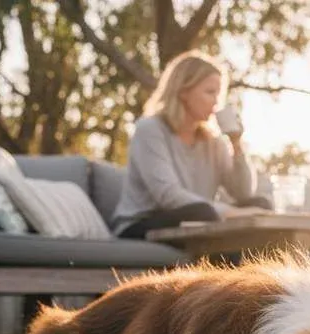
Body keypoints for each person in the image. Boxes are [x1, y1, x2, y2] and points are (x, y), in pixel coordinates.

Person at [112, 50, 269, 240]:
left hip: (198, 220)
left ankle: (252, 269)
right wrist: (229, 213)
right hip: (141, 223)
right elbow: (168, 196)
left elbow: (243, 192)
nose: (216, 102)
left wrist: (236, 143)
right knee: (203, 213)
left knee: (261, 205)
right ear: (184, 91)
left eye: (219, 94)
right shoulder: (150, 130)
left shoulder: (214, 142)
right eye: (210, 92)